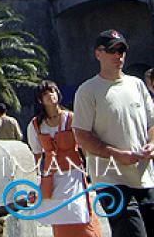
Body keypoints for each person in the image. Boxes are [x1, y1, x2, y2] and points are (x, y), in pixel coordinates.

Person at [73, 29, 154, 237]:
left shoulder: (137, 85)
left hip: (145, 177)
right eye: (112, 51)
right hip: (111, 180)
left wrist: (151, 144)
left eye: (121, 50)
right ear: (98, 54)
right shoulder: (87, 91)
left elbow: (151, 124)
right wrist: (117, 155)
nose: (118, 56)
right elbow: (82, 136)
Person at [27, 80, 101, 236]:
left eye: (52, 91)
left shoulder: (72, 118)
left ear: (58, 94)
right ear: (40, 100)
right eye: (45, 94)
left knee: (79, 213)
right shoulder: (35, 125)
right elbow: (36, 155)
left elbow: (85, 147)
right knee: (59, 217)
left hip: (73, 174)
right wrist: (35, 183)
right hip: (50, 179)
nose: (50, 96)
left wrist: (94, 172)